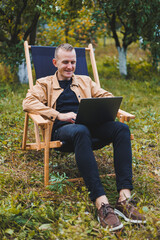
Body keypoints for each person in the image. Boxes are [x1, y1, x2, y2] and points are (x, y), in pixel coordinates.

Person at [23, 43, 146, 231]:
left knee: (121, 129)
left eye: (73, 62)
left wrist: (103, 104)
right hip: (63, 131)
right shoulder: (44, 83)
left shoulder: (85, 80)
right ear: (55, 62)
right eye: (65, 62)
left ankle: (124, 198)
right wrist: (59, 115)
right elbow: (28, 102)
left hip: (88, 126)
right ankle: (101, 202)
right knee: (81, 130)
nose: (70, 67)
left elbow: (106, 94)